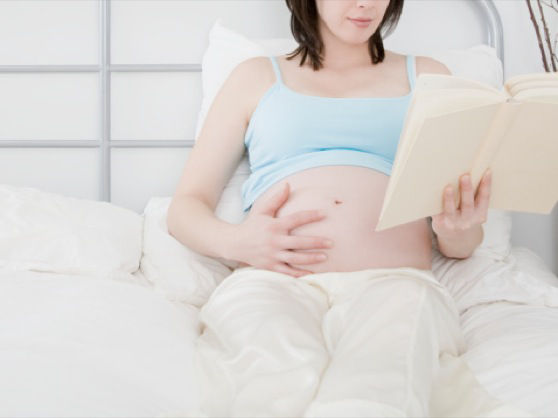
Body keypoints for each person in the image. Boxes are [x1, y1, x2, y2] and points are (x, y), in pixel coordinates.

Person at [166, 1, 529, 417]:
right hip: (274, 281)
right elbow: (185, 208)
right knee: (271, 383)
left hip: (396, 283)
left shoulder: (432, 79)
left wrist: (457, 227)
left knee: (381, 383)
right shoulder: (255, 77)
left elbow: (462, 245)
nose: (365, 3)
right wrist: (238, 242)